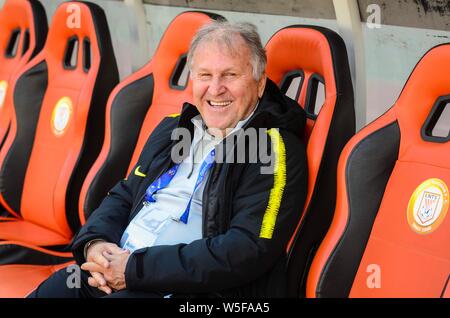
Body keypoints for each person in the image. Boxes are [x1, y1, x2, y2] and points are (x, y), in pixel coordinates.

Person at [29, 21, 307, 298]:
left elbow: (247, 249)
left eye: (230, 75)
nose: (215, 88)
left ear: (259, 84)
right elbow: (127, 192)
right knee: (59, 287)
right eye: (204, 75)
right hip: (123, 270)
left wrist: (133, 271)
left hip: (199, 292)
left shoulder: (271, 148)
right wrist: (95, 244)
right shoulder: (174, 128)